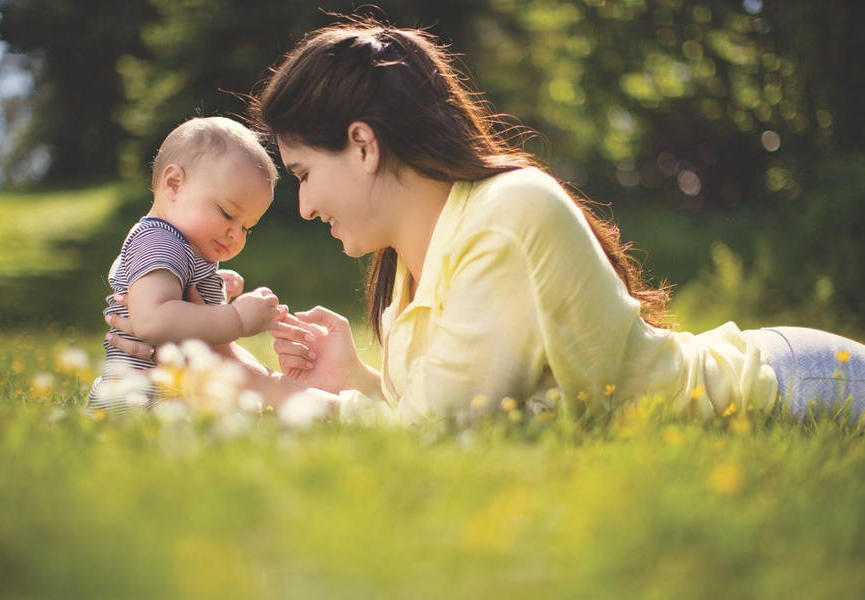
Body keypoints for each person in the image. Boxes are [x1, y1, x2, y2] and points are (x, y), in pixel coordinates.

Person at [107, 19, 865, 426]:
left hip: (796, 388)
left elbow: (442, 438)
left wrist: (261, 392)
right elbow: (464, 404)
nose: (303, 208)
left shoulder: (505, 217)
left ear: (363, 145)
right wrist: (360, 380)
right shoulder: (412, 260)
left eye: (305, 175)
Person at [89, 116, 289, 414]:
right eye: (226, 213)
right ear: (174, 184)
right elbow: (152, 320)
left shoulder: (177, 246)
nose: (236, 234)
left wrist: (214, 284)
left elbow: (174, 299)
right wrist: (236, 318)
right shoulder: (159, 241)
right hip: (143, 400)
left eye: (248, 227)